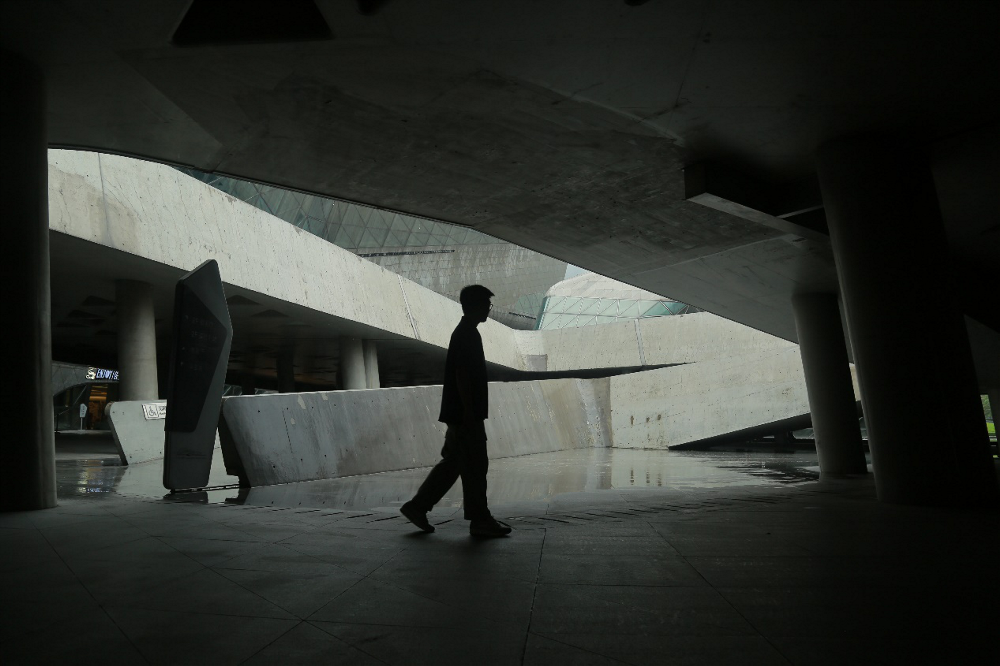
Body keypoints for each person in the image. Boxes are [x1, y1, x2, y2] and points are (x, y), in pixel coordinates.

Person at [400, 284, 512, 538]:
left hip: (460, 413)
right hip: (465, 415)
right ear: (476, 306)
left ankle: (419, 507)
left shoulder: (465, 332)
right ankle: (479, 519)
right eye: (487, 305)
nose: (489, 310)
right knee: (474, 465)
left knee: (456, 463)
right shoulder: (467, 334)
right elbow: (462, 375)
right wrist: (470, 413)